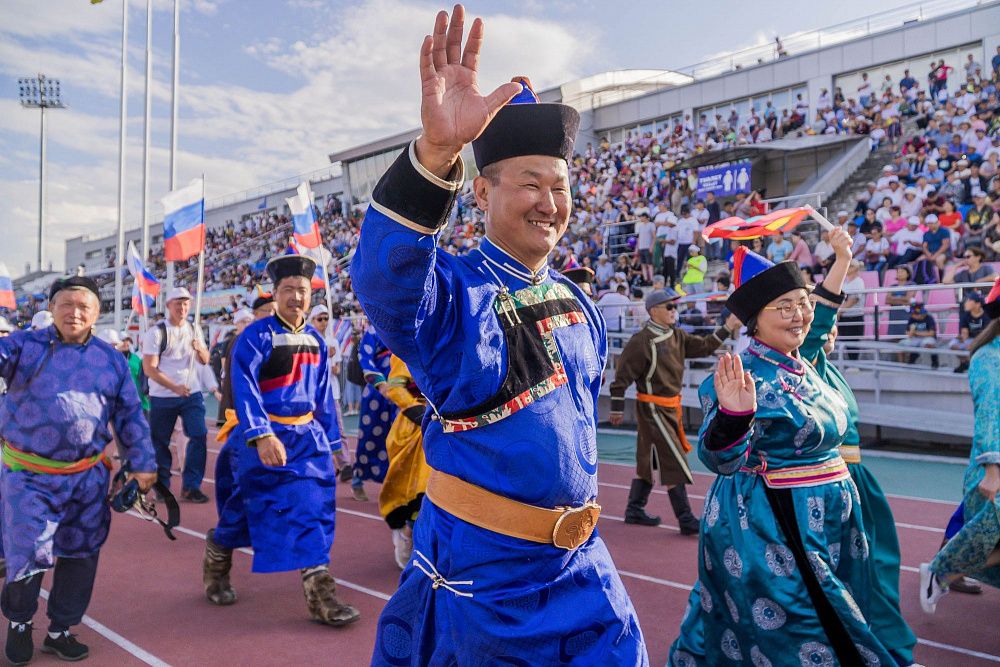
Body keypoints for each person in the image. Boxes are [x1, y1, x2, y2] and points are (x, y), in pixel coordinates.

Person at [351, 7, 646, 664]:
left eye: (559, 185)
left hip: (584, 571)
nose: (549, 202)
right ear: (481, 191)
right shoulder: (452, 291)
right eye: (530, 184)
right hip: (483, 578)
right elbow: (383, 282)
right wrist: (434, 154)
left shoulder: (577, 298)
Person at [668, 245, 898, 666]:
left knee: (841, 614)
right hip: (772, 524)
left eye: (802, 303)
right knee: (803, 628)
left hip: (832, 518)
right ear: (755, 320)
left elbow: (824, 316)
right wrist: (735, 417)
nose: (799, 314)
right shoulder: (742, 375)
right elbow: (718, 458)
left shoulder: (804, 361)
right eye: (784, 306)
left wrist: (841, 262)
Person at [1, 276, 156, 665]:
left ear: (97, 313)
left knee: (81, 554)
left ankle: (60, 630)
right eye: (66, 304)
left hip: (87, 478)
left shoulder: (112, 359)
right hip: (29, 476)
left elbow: (129, 413)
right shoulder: (22, 346)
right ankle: (19, 623)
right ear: (51, 308)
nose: (74, 312)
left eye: (83, 306)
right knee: (28, 550)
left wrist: (142, 464)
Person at [205, 253, 360, 627]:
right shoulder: (253, 338)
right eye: (287, 289)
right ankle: (217, 556)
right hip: (265, 437)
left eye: (302, 290)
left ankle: (320, 597)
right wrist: (261, 435)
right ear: (274, 294)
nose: (296, 296)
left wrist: (334, 445)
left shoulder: (317, 341)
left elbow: (324, 396)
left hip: (308, 440)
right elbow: (243, 390)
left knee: (314, 509)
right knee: (245, 510)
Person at [799, 231, 918, 666]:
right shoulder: (803, 365)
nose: (823, 329)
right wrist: (844, 257)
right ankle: (883, 651)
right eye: (815, 322)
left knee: (881, 569)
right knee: (856, 575)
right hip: (833, 486)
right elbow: (817, 326)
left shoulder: (828, 369)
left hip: (859, 483)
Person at [609, 289, 738, 533]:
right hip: (652, 408)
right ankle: (686, 519)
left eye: (674, 307)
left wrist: (728, 326)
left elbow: (705, 346)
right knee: (674, 460)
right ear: (653, 310)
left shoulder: (677, 336)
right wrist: (616, 408)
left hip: (671, 407)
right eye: (668, 307)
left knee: (651, 458)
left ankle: (634, 509)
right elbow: (621, 378)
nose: (673, 311)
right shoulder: (641, 341)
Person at [920, 276, 1000, 613]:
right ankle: (942, 572)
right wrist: (994, 469)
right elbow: (989, 413)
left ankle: (942, 573)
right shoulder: (988, 357)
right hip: (993, 470)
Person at [141, 287, 211, 503]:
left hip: (191, 393)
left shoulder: (194, 328)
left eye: (186, 303)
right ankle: (163, 486)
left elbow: (205, 360)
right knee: (159, 441)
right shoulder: (157, 332)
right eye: (178, 303)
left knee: (198, 435)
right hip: (163, 395)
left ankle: (191, 486)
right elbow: (149, 369)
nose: (182, 307)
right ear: (168, 305)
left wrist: (199, 349)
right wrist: (175, 388)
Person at [379, 354, 431, 570]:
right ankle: (408, 532)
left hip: (446, 422)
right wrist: (420, 413)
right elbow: (395, 389)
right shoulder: (404, 348)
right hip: (415, 428)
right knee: (418, 489)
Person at [216, 308, 253, 426]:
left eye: (249, 321)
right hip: (233, 379)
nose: (246, 324)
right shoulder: (230, 341)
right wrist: (224, 376)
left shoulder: (253, 339)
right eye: (243, 321)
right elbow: (224, 360)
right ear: (236, 323)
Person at [950, 292, 991, 373]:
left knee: (979, 346)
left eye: (969, 300)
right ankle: (965, 363)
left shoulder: (987, 315)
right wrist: (962, 338)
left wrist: (974, 343)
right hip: (970, 339)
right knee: (953, 344)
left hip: (984, 340)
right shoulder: (965, 315)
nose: (966, 302)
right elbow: (964, 332)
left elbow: (987, 335)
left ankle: (977, 365)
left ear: (978, 304)